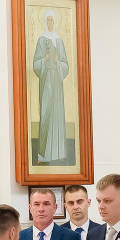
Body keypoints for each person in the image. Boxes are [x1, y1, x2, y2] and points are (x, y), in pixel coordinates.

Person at [33, 10, 69, 164]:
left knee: (58, 115)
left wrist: (57, 61)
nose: (50, 23)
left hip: (57, 80)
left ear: (54, 21)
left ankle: (59, 152)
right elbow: (36, 64)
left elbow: (65, 64)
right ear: (45, 22)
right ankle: (43, 155)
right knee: (46, 113)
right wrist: (46, 59)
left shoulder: (59, 40)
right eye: (47, 20)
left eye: (52, 21)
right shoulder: (41, 40)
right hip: (46, 78)